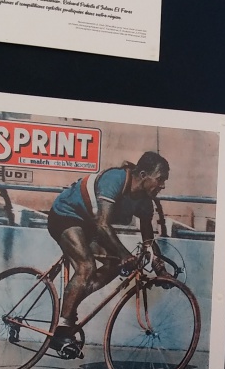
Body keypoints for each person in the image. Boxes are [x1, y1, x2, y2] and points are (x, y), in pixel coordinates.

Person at [46, 151, 169, 358]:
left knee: (115, 265)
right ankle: (61, 331)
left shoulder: (145, 201)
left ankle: (71, 300)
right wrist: (124, 254)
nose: (163, 185)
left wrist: (160, 268)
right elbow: (103, 225)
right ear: (143, 175)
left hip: (89, 225)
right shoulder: (116, 179)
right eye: (160, 179)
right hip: (66, 215)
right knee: (86, 267)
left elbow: (148, 241)